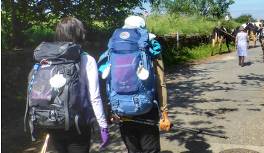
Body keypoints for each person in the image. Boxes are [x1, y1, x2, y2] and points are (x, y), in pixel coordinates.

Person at [103, 15, 171, 153]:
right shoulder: (150, 46)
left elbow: (108, 79)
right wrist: (165, 115)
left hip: (121, 110)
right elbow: (160, 83)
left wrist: (109, 109)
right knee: (150, 150)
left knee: (133, 150)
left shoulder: (114, 46)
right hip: (146, 107)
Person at [44, 17, 109, 153]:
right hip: (79, 124)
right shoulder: (87, 59)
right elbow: (94, 97)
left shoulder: (47, 58)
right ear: (80, 33)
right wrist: (103, 126)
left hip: (54, 121)